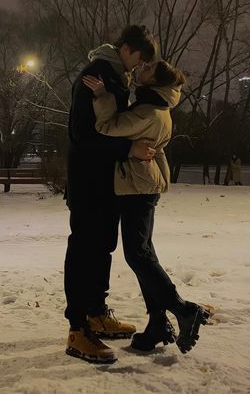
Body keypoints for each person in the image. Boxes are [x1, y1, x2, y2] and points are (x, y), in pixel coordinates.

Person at [82, 60, 211, 359]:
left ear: (155, 81)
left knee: (137, 254)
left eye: (148, 68)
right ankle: (157, 323)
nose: (142, 67)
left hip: (138, 186)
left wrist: (102, 94)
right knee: (144, 253)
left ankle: (183, 309)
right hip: (142, 184)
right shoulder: (155, 105)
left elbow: (107, 126)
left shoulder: (148, 112)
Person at [64, 25, 157, 364]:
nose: (140, 66)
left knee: (102, 247)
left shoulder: (115, 76)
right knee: (84, 249)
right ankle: (77, 329)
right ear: (127, 49)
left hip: (105, 182)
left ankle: (96, 313)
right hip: (88, 181)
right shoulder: (96, 74)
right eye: (140, 58)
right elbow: (82, 135)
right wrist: (128, 147)